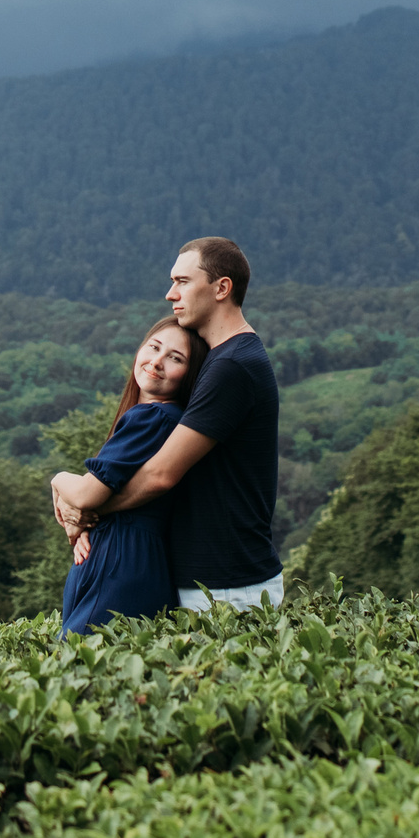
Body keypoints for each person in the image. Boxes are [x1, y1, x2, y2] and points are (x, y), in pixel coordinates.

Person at [66, 236, 283, 610]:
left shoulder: (231, 366)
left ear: (221, 288)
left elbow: (160, 475)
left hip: (226, 586)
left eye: (182, 281)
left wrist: (88, 509)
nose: (170, 294)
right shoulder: (222, 359)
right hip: (213, 579)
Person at [49, 317, 206, 634]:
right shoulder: (172, 420)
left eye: (175, 358)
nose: (157, 362)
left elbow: (85, 495)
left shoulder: (152, 417)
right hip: (143, 560)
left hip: (119, 559)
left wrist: (57, 480)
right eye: (154, 347)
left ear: (189, 376)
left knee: (80, 663)